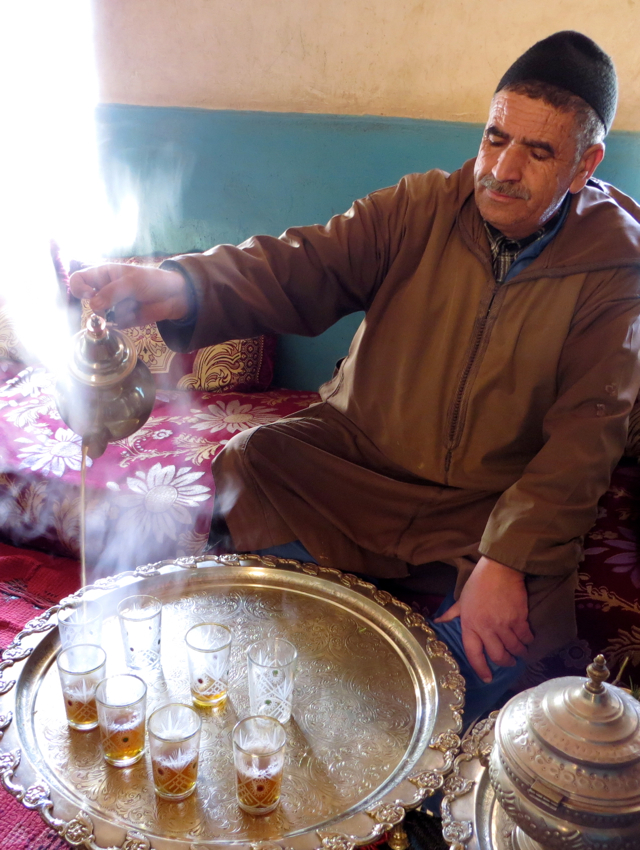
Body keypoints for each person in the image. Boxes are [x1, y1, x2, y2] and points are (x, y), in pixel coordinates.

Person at [70, 32, 640, 722]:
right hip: (357, 462)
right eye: (495, 139)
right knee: (256, 464)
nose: (501, 169)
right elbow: (301, 264)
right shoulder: (421, 207)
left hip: (486, 506)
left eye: (538, 151)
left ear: (586, 166)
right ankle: (312, 662)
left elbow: (588, 435)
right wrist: (178, 285)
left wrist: (510, 558)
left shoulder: (616, 268)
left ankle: (393, 729)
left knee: (510, 647)